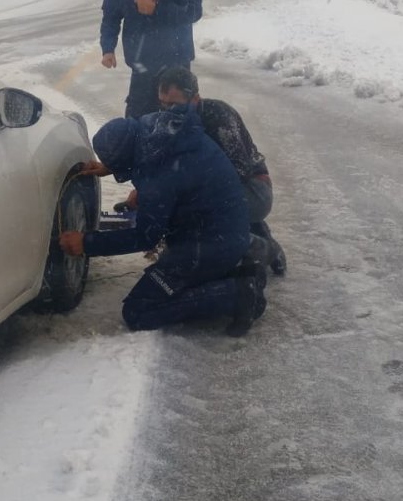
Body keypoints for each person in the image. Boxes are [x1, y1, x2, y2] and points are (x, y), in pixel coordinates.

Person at [60, 107, 267, 336]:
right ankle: (237, 269)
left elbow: (145, 237)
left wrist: (86, 243)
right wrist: (111, 167)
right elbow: (160, 171)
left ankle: (236, 294)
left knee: (139, 311)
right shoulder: (162, 136)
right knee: (176, 272)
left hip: (207, 245)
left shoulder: (159, 176)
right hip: (225, 229)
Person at [155, 66, 288, 276]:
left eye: (174, 104)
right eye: (162, 104)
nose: (167, 111)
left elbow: (238, 170)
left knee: (194, 218)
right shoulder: (171, 122)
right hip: (225, 193)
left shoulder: (218, 117)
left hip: (254, 189)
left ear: (195, 99)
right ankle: (252, 230)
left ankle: (264, 249)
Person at [99, 0, 203, 119]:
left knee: (177, 121)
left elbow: (195, 11)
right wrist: (107, 48)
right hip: (141, 63)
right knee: (136, 121)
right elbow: (110, 15)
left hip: (176, 61)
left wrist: (158, 9)